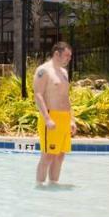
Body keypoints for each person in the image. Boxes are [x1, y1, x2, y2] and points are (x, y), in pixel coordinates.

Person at [34, 42, 74, 186]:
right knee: (48, 155)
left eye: (70, 56)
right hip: (51, 117)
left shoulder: (64, 73)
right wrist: (47, 118)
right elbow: (38, 95)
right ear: (57, 53)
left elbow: (66, 97)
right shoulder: (43, 70)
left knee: (60, 155)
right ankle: (39, 186)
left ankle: (53, 185)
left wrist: (72, 120)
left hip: (64, 118)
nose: (69, 58)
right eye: (67, 55)